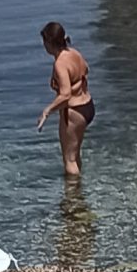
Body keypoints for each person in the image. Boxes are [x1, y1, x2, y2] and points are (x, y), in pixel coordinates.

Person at [35, 22, 94, 178]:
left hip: (74, 112)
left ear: (49, 42)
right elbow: (85, 69)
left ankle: (72, 199)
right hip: (87, 106)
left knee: (69, 160)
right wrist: (76, 87)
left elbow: (65, 94)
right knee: (75, 155)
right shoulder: (74, 53)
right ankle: (78, 192)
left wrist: (47, 111)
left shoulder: (60, 63)